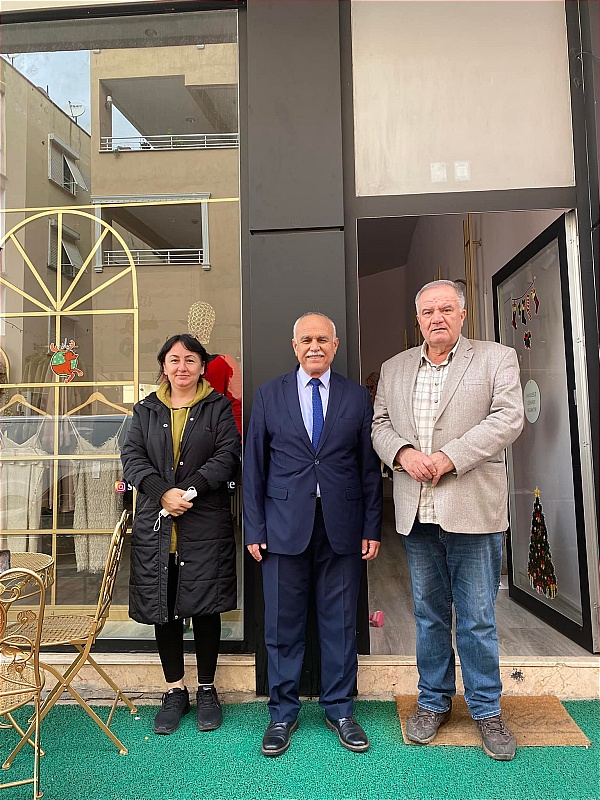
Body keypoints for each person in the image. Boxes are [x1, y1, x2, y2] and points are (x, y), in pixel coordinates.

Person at [371, 280, 524, 761]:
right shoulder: (394, 368)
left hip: (472, 508)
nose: (436, 318)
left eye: (445, 309)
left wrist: (448, 457)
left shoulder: (496, 358)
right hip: (417, 511)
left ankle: (487, 710)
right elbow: (379, 425)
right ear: (417, 319)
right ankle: (433, 701)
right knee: (429, 614)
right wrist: (403, 453)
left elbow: (508, 419)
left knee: (477, 618)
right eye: (427, 311)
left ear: (462, 314)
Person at [243, 312, 382, 757]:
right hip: (282, 528)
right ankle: (282, 714)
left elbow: (368, 469)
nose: (315, 346)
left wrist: (371, 526)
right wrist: (254, 527)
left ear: (335, 345)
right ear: (294, 346)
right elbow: (253, 467)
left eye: (323, 339)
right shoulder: (269, 395)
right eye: (306, 340)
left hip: (342, 527)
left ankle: (340, 709)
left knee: (340, 623)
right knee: (281, 624)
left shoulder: (356, 397)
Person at [121, 334, 240, 735]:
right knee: (164, 605)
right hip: (158, 524)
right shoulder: (146, 409)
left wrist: (188, 492)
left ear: (202, 366)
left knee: (206, 606)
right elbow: (132, 457)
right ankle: (175, 690)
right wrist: (162, 493)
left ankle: (207, 688)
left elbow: (227, 456)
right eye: (174, 360)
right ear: (164, 366)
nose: (182, 367)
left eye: (190, 359)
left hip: (203, 521)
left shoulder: (217, 406)